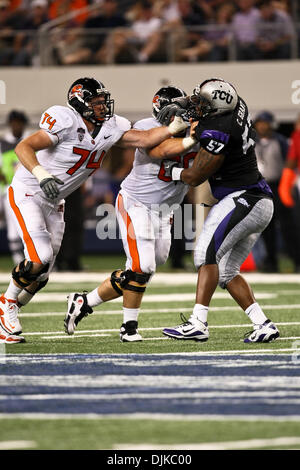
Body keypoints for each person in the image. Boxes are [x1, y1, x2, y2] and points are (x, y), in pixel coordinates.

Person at [0, 77, 188, 344]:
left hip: (55, 201)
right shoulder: (64, 120)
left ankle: (10, 310)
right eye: (96, 102)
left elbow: (145, 139)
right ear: (80, 102)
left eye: (102, 100)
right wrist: (41, 174)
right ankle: (6, 301)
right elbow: (24, 146)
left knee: (40, 276)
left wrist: (174, 127)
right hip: (29, 192)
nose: (102, 106)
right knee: (38, 257)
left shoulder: (112, 127)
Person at [64, 85, 201, 342]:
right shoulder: (148, 126)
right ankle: (128, 328)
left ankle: (84, 301)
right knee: (142, 266)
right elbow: (158, 149)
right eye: (177, 109)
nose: (182, 113)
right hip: (137, 203)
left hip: (165, 210)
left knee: (146, 267)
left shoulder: (196, 127)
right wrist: (191, 138)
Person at [157, 78, 279, 343]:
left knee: (204, 253)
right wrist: (184, 103)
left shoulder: (219, 131)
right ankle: (264, 324)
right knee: (225, 271)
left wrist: (172, 170)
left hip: (244, 198)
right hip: (256, 200)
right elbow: (208, 104)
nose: (197, 105)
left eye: (202, 103)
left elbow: (194, 177)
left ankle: (198, 323)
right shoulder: (233, 107)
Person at [254, 110, 300, 272]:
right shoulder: (253, 141)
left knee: (288, 225)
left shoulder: (280, 141)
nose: (261, 126)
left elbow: (290, 162)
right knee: (266, 226)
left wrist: (287, 185)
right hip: (261, 186)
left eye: (264, 123)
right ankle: (271, 261)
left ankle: (296, 260)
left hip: (279, 185)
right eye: (259, 122)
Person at [0, 110, 29, 265]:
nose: (17, 125)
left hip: (28, 188)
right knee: (13, 223)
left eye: (19, 122)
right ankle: (17, 254)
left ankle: (28, 253)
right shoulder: (3, 144)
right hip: (8, 188)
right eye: (14, 122)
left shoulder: (29, 140)